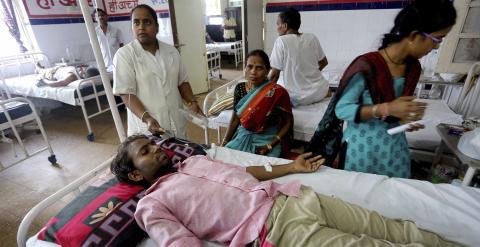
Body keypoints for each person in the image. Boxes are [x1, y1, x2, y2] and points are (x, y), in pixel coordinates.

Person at [110, 134, 461, 247]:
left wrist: (291, 167)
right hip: (279, 230)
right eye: (146, 152)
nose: (157, 149)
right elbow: (179, 243)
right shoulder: (152, 205)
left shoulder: (194, 162)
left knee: (395, 228)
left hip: (295, 196)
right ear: (135, 176)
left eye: (154, 144)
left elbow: (246, 171)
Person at [306, 0, 457, 178]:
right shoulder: (367, 66)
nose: (437, 46)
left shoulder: (413, 68)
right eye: (437, 39)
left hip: (394, 146)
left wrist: (404, 121)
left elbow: (394, 112)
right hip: (362, 148)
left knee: (395, 194)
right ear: (415, 36)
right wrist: (386, 108)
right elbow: (342, 110)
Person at [113, 4, 203, 138]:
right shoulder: (124, 55)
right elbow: (126, 94)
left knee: (180, 154)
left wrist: (193, 102)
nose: (141, 27)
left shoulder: (171, 51)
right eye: (136, 22)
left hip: (176, 120)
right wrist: (147, 118)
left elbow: (182, 81)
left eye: (147, 22)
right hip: (146, 127)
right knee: (155, 157)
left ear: (157, 27)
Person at [221, 50, 293, 157]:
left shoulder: (277, 92)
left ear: (267, 71)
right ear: (245, 68)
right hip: (243, 137)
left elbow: (288, 122)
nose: (253, 72)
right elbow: (235, 119)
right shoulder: (240, 88)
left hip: (267, 141)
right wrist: (224, 143)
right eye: (250, 67)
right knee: (225, 161)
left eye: (259, 68)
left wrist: (270, 145)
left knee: (264, 170)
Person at [269, 8, 329, 107]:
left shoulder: (281, 41)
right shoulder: (311, 37)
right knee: (325, 88)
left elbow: (274, 75)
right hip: (320, 91)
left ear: (285, 26)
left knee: (280, 89)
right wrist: (308, 74)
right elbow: (324, 62)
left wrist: (261, 91)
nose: (277, 27)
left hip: (297, 98)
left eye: (278, 24)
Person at [35, 63, 99, 87]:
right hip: (59, 68)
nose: (82, 69)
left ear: (83, 75)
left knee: (42, 71)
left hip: (52, 73)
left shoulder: (72, 76)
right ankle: (40, 68)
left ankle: (38, 69)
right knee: (44, 70)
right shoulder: (79, 72)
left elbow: (62, 83)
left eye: (83, 70)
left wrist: (45, 82)